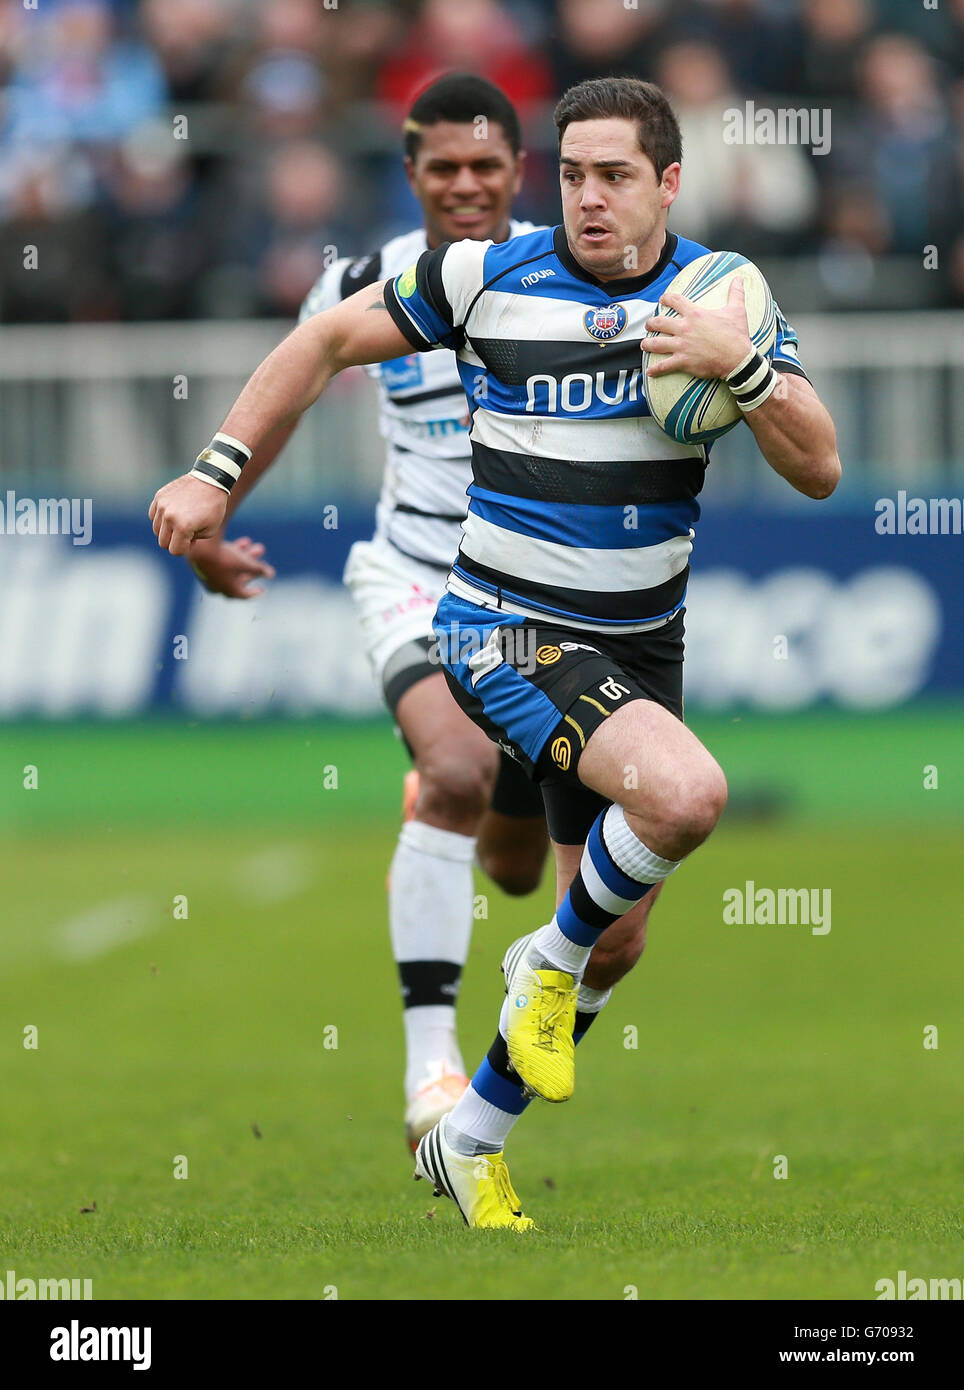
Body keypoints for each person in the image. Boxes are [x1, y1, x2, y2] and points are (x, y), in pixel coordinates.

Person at [149, 76, 840, 1228]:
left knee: (611, 938)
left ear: (670, 182)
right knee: (686, 796)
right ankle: (535, 971)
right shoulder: (484, 277)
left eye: (615, 176)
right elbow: (324, 337)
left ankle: (470, 1138)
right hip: (500, 627)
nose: (588, 199)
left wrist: (741, 363)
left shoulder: (719, 294)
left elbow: (816, 465)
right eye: (570, 176)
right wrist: (213, 473)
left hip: (638, 645)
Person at [178, 74, 570, 1154]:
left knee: (516, 864)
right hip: (411, 575)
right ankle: (430, 1069)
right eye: (442, 166)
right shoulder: (360, 281)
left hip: (536, 597)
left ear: (515, 172)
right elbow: (291, 391)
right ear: (410, 173)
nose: (464, 184)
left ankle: (471, 798)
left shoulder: (565, 271)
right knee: (452, 775)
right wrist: (214, 512)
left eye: (485, 165)